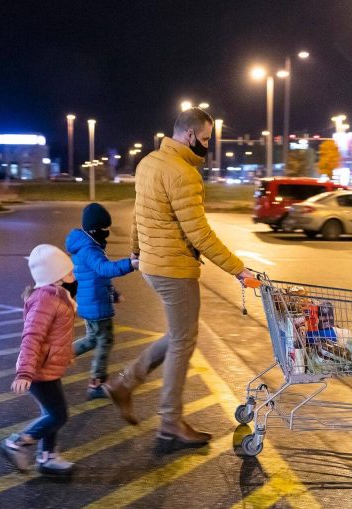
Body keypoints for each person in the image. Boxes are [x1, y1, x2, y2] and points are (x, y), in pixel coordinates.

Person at [103, 107, 255, 447]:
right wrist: (238, 269)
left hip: (153, 266)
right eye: (204, 139)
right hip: (175, 269)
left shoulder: (148, 163)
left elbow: (140, 216)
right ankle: (170, 421)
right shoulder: (183, 173)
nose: (206, 145)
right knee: (184, 340)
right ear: (188, 135)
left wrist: (136, 252)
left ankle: (124, 383)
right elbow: (199, 234)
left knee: (177, 335)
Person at [1, 244, 77, 475]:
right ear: (55, 275)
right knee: (58, 415)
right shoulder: (45, 300)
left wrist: (64, 354)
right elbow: (32, 337)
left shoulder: (56, 294)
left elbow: (57, 333)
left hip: (48, 367)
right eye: (69, 271)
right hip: (39, 371)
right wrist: (24, 372)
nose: (73, 275)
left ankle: (47, 457)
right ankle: (17, 443)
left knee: (50, 413)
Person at [65, 202, 139, 399]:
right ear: (95, 228)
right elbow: (104, 269)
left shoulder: (86, 244)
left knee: (92, 339)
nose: (106, 233)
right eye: (104, 229)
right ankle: (96, 383)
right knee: (105, 341)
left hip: (92, 301)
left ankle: (58, 357)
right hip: (96, 305)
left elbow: (97, 278)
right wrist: (131, 264)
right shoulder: (90, 249)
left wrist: (112, 294)